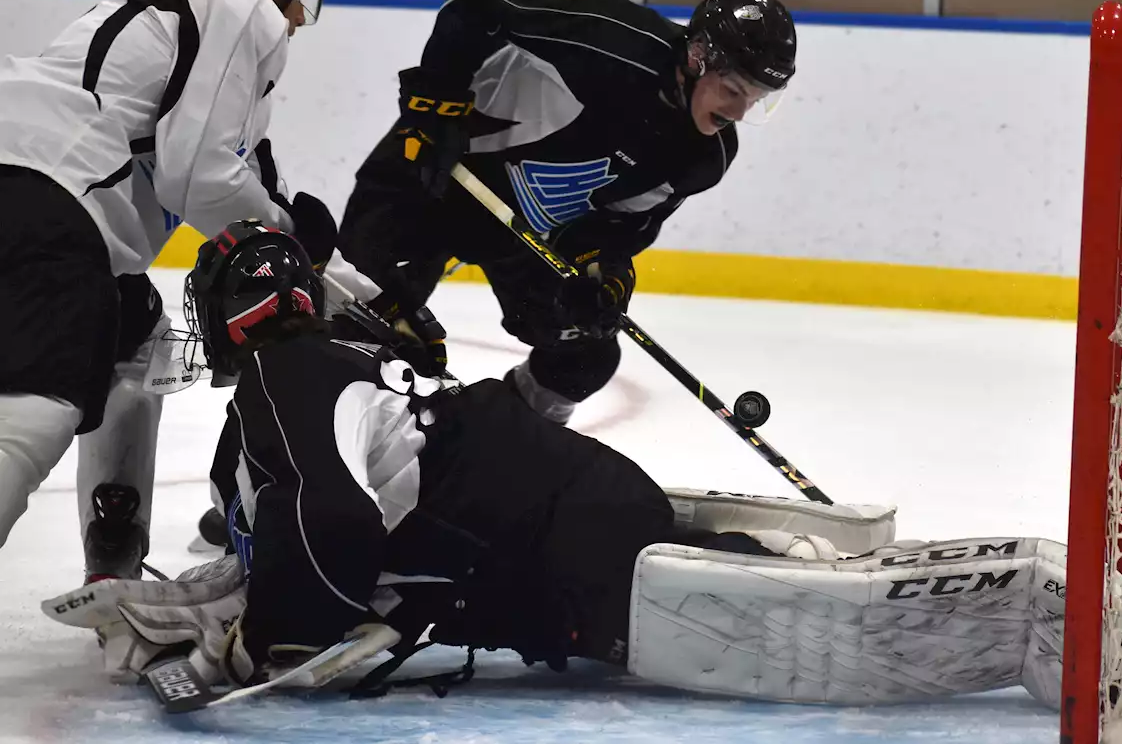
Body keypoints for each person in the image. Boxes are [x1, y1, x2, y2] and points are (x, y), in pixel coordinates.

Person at [43, 223, 1067, 712]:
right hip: (564, 503)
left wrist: (272, 639)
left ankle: (1032, 613)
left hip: (547, 541)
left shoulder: (282, 378)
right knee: (773, 580)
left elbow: (342, 519)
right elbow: (402, 470)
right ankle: (1019, 601)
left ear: (230, 320)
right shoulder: (309, 382)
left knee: (817, 628)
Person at [0, 0, 339, 583]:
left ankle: (113, 548)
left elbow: (226, 177)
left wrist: (337, 267)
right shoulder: (239, 7)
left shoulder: (171, 16)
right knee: (37, 410)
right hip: (48, 197)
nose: (301, 14)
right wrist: (290, 233)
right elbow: (203, 179)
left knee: (137, 342)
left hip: (31, 186)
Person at [336, 0, 798, 425]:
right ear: (697, 58)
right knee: (365, 323)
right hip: (432, 172)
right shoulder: (611, 45)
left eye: (754, 99)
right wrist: (438, 102)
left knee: (586, 354)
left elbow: (619, 226)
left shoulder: (704, 157)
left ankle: (504, 444)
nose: (737, 112)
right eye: (733, 89)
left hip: (520, 233)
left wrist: (605, 274)